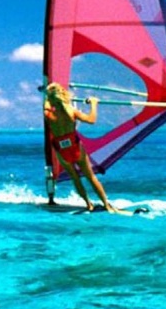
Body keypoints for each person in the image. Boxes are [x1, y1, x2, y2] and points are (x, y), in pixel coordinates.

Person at [43, 82, 116, 212]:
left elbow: (47, 105)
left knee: (75, 177)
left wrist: (48, 95)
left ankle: (88, 204)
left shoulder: (48, 115)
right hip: (76, 147)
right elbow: (91, 120)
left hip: (62, 150)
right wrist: (94, 104)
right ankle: (106, 205)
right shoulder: (72, 112)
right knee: (91, 177)